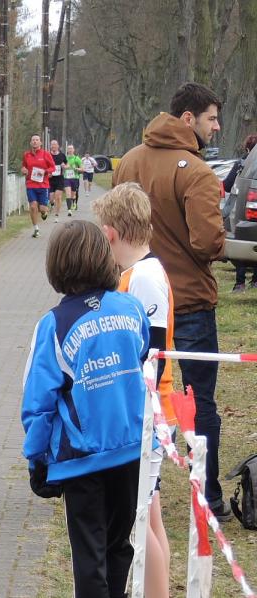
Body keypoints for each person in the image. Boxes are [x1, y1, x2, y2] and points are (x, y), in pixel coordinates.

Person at [112, 82, 230, 520]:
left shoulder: (129, 161)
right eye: (211, 118)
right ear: (188, 118)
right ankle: (208, 496)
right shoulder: (197, 172)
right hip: (189, 300)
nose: (216, 127)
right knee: (199, 400)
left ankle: (142, 487)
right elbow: (207, 242)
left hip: (135, 298)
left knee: (137, 393)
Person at [21, 219, 150, 598]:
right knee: (119, 544)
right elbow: (144, 357)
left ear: (57, 265)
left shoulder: (54, 325)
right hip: (131, 450)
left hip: (82, 458)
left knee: (89, 555)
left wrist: (37, 459)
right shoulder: (131, 309)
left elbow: (38, 402)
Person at [92, 183, 175, 598]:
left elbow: (150, 355)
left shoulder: (143, 278)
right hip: (146, 413)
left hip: (149, 414)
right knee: (150, 515)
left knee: (140, 522)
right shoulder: (139, 273)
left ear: (109, 233)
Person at [222, 133, 257, 292]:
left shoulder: (242, 164)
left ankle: (240, 283)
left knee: (241, 239)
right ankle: (255, 280)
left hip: (239, 208)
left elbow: (227, 185)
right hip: (250, 208)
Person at [21, 134, 56, 238]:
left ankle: (44, 212)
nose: (35, 141)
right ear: (30, 143)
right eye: (33, 140)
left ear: (40, 142)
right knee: (33, 207)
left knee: (42, 209)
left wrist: (45, 171)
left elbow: (53, 167)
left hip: (43, 185)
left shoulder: (46, 154)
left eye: (37, 140)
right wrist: (23, 170)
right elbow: (23, 166)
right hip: (30, 185)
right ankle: (36, 228)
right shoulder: (26, 155)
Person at [48, 139, 68, 222]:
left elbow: (67, 164)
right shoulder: (48, 155)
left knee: (58, 197)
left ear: (58, 146)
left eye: (55, 144)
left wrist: (64, 166)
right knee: (51, 197)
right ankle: (52, 203)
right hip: (50, 179)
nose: (53, 146)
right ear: (50, 146)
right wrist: (48, 172)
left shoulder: (62, 155)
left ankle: (57, 215)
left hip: (59, 179)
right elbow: (44, 165)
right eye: (52, 144)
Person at [64, 144, 83, 215]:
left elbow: (82, 169)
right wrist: (64, 167)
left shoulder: (76, 159)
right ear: (67, 150)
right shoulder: (65, 158)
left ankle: (74, 202)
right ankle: (69, 210)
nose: (70, 150)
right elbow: (61, 167)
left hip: (75, 178)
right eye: (69, 149)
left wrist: (77, 169)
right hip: (66, 178)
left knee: (73, 194)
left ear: (73, 150)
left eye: (71, 149)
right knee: (68, 193)